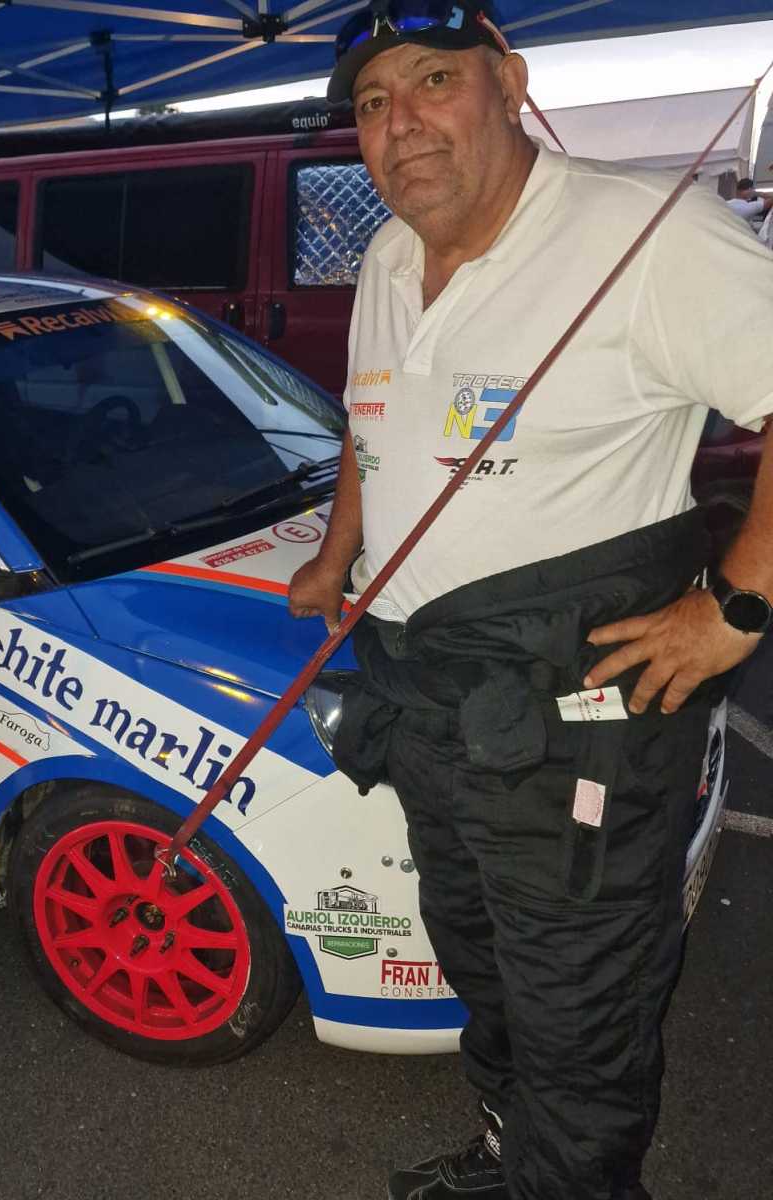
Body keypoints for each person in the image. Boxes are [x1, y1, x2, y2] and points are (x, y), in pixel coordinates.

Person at [289, 4, 773, 1199]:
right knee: (485, 968)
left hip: (576, 724)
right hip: (437, 706)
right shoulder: (389, 255)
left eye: (433, 81)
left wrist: (737, 607)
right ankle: (512, 1158)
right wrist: (339, 555)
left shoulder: (645, 233)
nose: (400, 123)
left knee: (580, 1010)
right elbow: (371, 421)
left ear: (509, 83)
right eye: (373, 103)